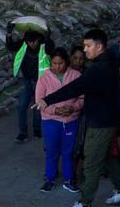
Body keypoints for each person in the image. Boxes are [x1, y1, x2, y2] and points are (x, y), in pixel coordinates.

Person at [34, 28, 120, 207]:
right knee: (105, 157)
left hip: (100, 122)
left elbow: (75, 87)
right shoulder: (110, 61)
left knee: (91, 163)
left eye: (88, 46)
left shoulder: (98, 68)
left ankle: (85, 204)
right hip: (107, 118)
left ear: (99, 46)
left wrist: (48, 99)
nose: (85, 49)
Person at [35, 48, 84, 193]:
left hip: (71, 120)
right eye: (54, 63)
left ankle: (69, 180)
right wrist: (55, 110)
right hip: (51, 120)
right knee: (51, 151)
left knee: (68, 152)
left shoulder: (76, 76)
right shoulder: (44, 78)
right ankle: (49, 179)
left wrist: (73, 108)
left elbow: (83, 98)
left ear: (66, 62)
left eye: (61, 63)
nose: (57, 67)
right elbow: (39, 101)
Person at [7, 23, 55, 142]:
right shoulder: (23, 44)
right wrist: (9, 34)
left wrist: (48, 37)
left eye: (34, 41)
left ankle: (37, 129)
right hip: (27, 81)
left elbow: (50, 49)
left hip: (41, 81)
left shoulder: (44, 45)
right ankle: (22, 132)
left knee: (38, 107)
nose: (32, 44)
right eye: (29, 41)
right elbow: (11, 47)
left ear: (39, 39)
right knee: (21, 106)